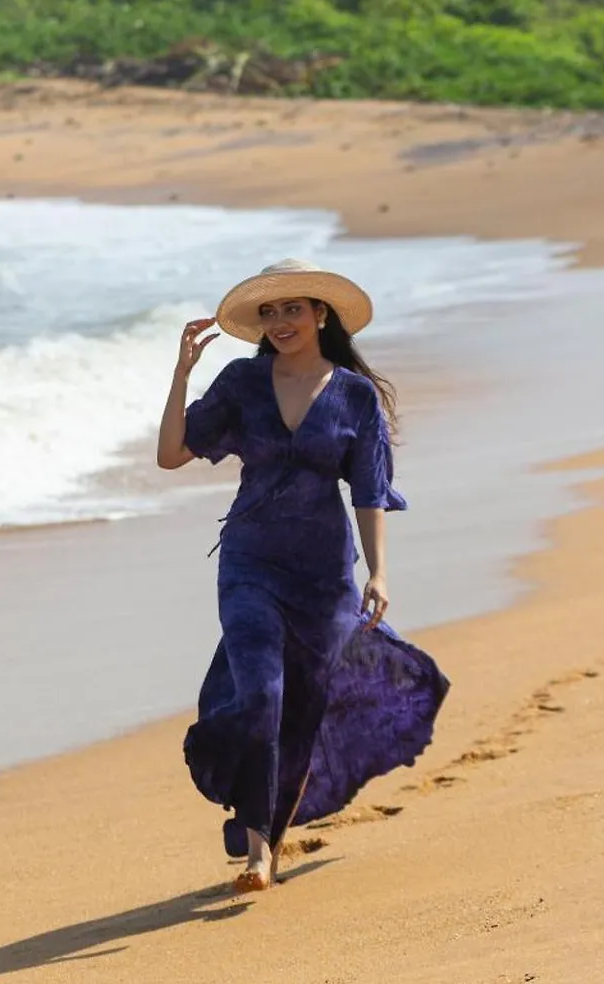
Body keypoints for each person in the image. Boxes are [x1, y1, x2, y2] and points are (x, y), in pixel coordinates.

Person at [157, 258, 450, 893]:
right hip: (249, 564)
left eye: (294, 308)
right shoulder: (241, 382)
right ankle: (258, 850)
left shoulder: (353, 395)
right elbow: (171, 454)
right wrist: (182, 376)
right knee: (260, 694)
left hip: (323, 577)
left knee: (302, 713)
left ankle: (270, 837)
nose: (281, 321)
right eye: (270, 312)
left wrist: (379, 574)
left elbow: (371, 490)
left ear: (320, 314)